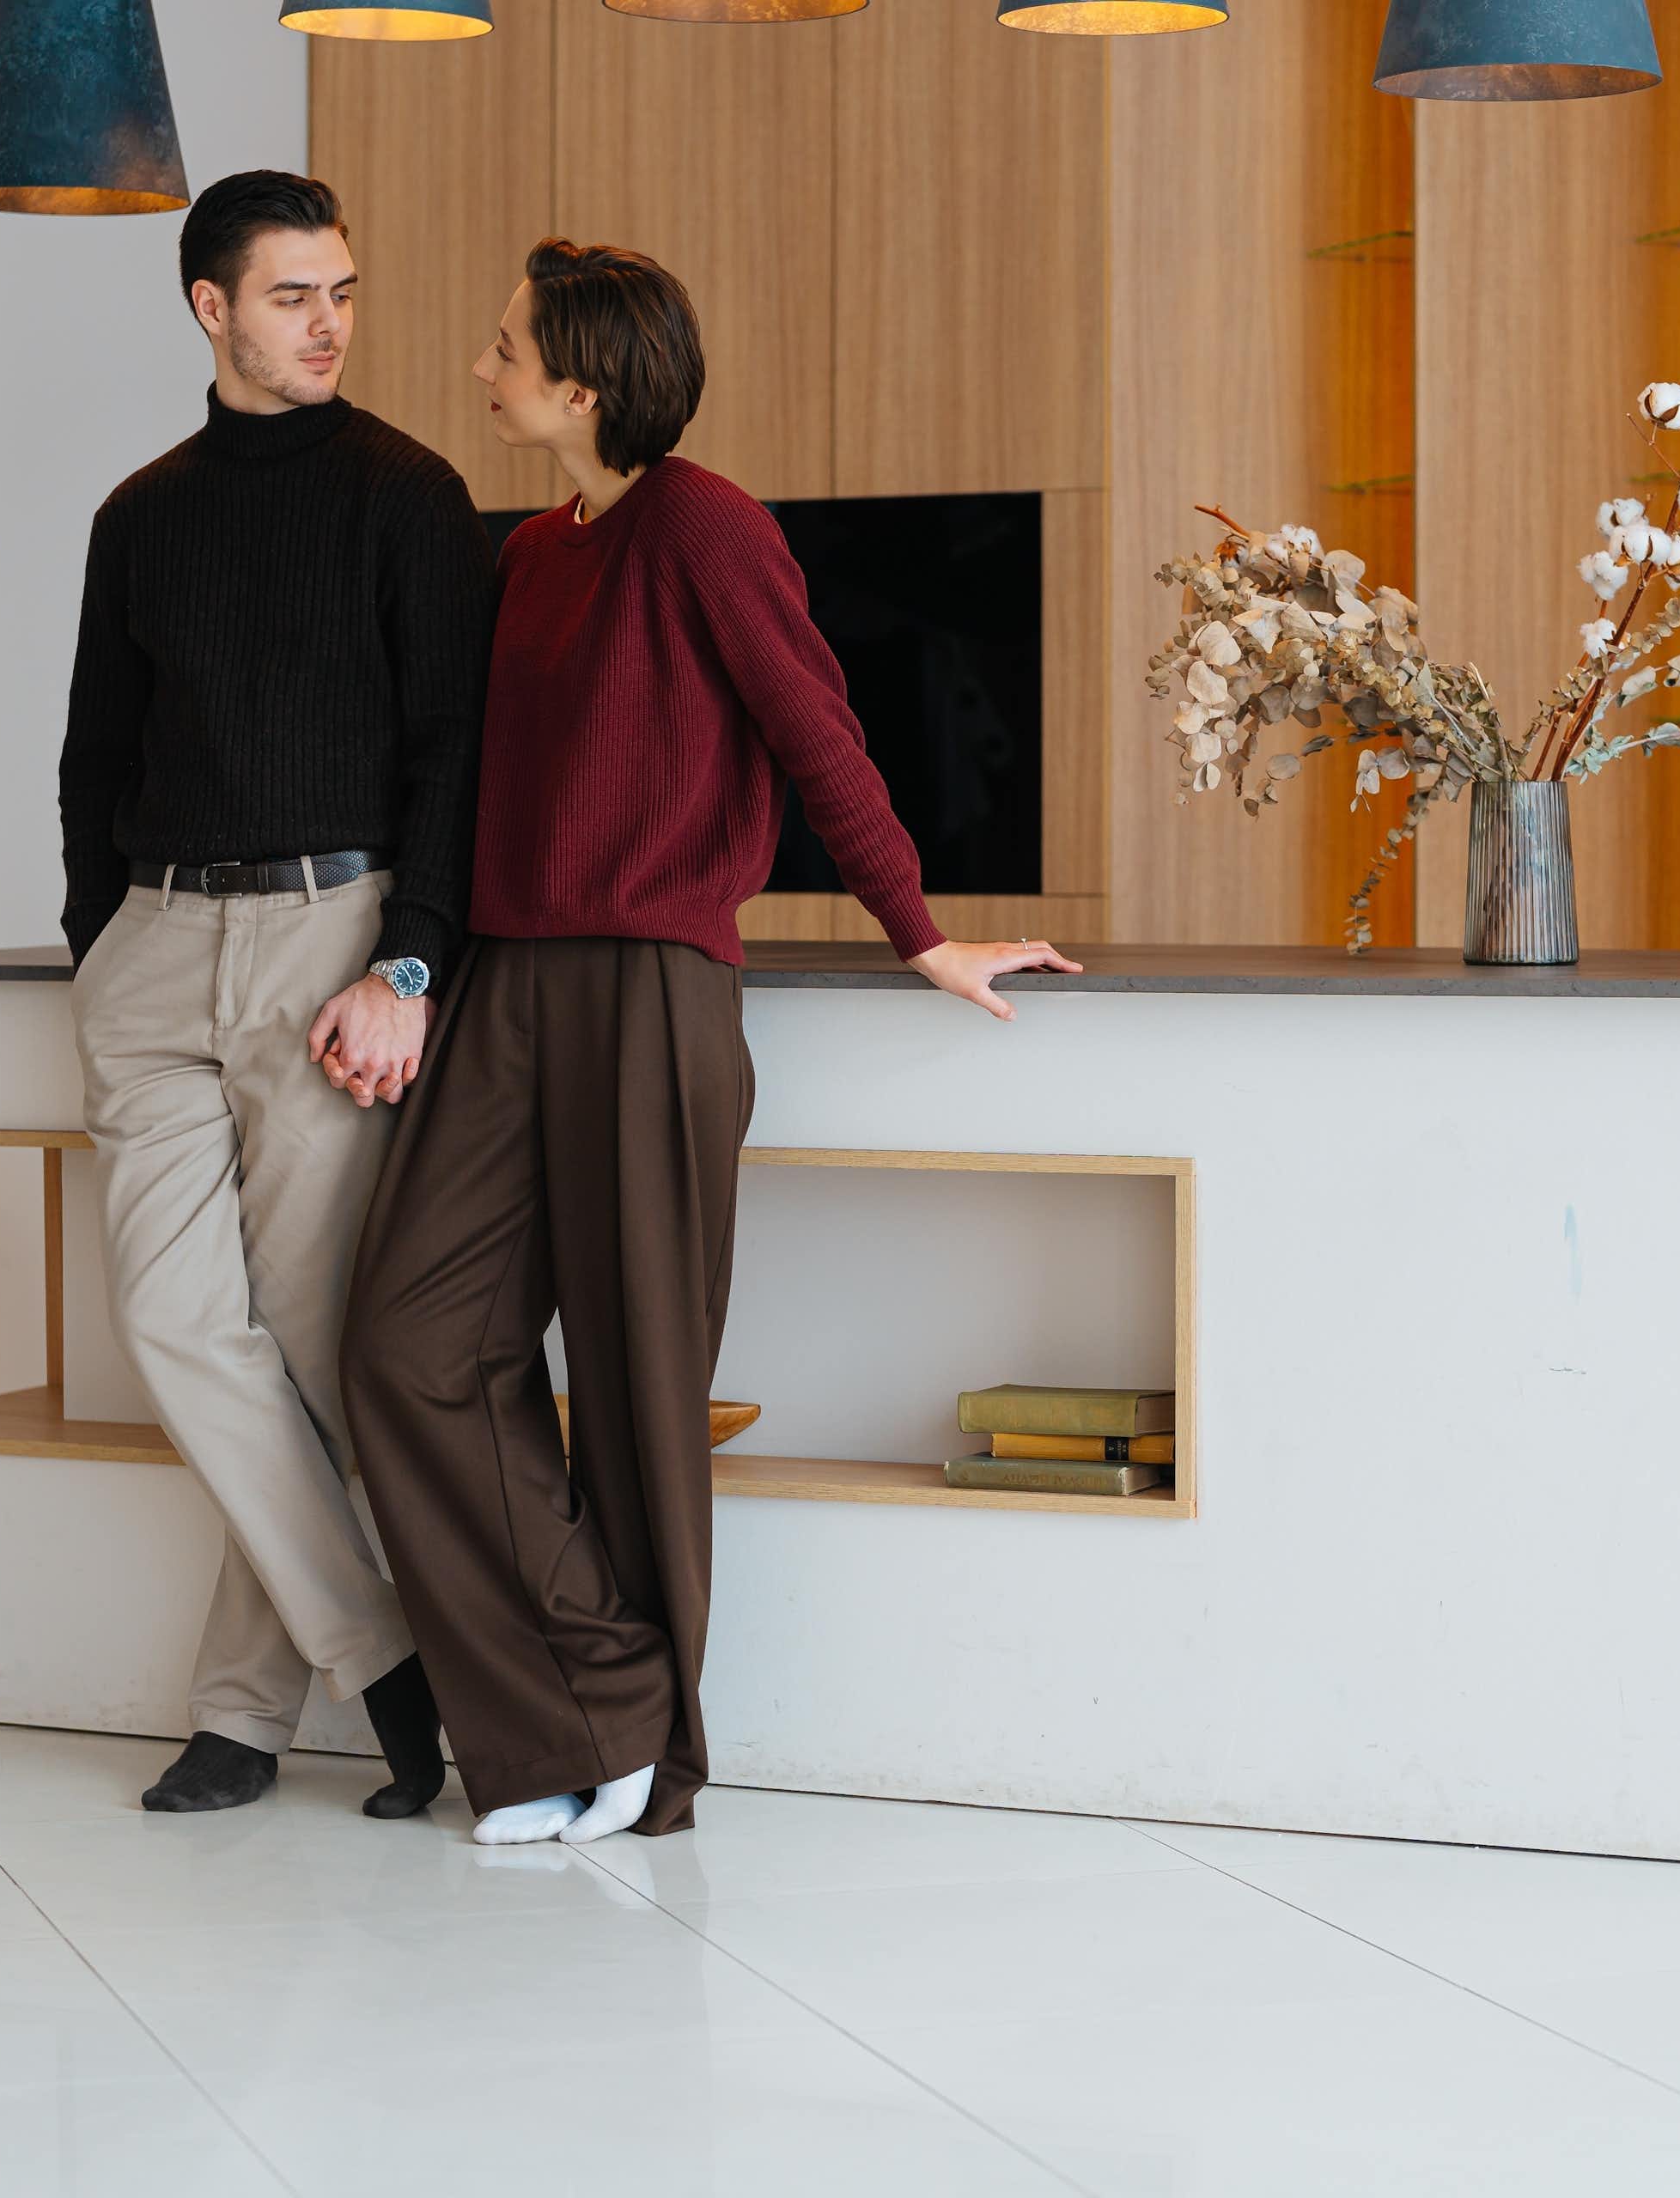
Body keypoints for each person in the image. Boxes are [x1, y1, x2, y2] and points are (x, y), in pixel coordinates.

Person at [339, 239, 1078, 1847]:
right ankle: (586, 1699)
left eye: (507, 344)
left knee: (633, 1384)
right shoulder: (534, 553)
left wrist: (921, 931)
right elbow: (473, 792)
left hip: (654, 993)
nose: (483, 364)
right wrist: (417, 971)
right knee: (404, 1347)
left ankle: (639, 1757)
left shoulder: (705, 526)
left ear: (584, 383)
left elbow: (822, 735)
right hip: (505, 993)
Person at [58, 172, 495, 1817]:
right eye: (296, 295)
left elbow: (460, 745)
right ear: (210, 309)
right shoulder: (138, 518)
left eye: (345, 292)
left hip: (336, 941)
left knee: (302, 1345)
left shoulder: (410, 492)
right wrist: (102, 935)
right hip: (157, 948)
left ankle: (245, 1712)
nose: (330, 324)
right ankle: (389, 1666)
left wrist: (410, 959)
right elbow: (93, 758)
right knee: (181, 1324)